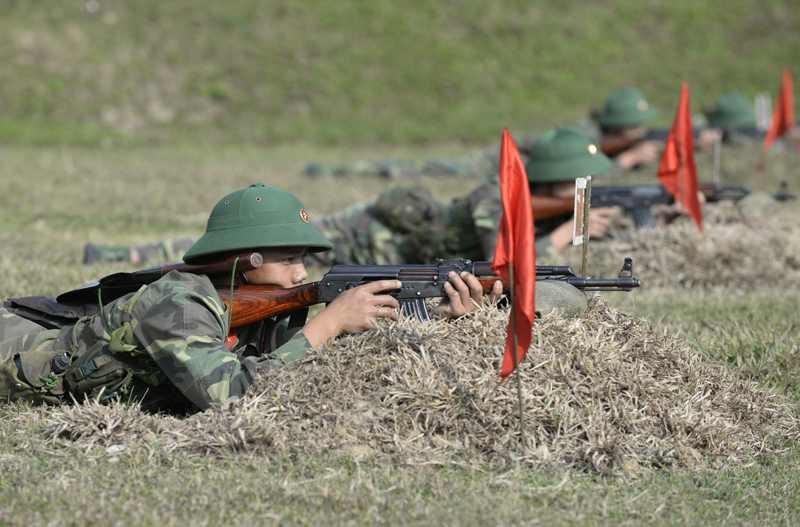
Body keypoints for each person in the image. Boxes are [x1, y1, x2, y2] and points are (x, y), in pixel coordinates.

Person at [1, 184, 501, 412]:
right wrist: (323, 326)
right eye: (290, 260)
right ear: (248, 260)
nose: (303, 272)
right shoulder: (177, 302)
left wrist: (436, 318)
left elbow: (295, 364)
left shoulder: (258, 303)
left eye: (305, 257)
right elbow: (232, 396)